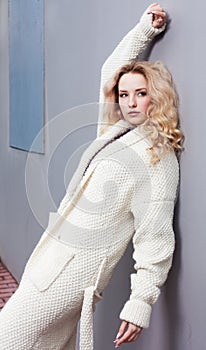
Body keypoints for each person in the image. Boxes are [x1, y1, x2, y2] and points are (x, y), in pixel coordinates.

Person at [0, 3, 183, 350]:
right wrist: (144, 29)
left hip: (73, 277)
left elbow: (155, 239)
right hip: (50, 258)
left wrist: (140, 302)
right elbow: (109, 71)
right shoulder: (114, 131)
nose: (130, 102)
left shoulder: (157, 158)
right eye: (124, 94)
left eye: (141, 94)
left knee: (8, 336)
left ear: (155, 98)